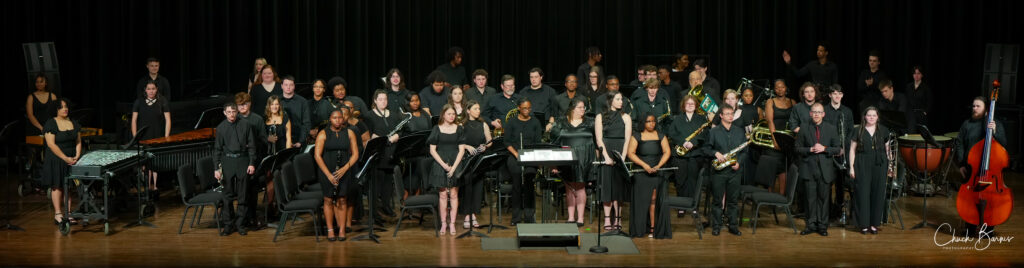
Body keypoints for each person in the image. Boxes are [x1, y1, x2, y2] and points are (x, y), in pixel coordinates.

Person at [955, 97, 1007, 236]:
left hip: (990, 172)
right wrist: (960, 164)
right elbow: (959, 143)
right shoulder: (966, 124)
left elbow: (1004, 144)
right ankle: (970, 225)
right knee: (970, 199)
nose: (974, 108)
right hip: (971, 170)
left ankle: (989, 227)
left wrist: (995, 131)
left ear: (986, 109)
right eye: (973, 106)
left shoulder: (994, 124)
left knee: (990, 199)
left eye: (978, 106)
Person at [795, 103, 840, 236]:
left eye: (819, 112)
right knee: (810, 199)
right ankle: (810, 224)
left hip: (825, 170)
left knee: (824, 199)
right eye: (814, 112)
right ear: (810, 113)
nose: (816, 114)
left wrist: (824, 148)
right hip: (809, 168)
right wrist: (809, 149)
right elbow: (797, 148)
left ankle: (822, 226)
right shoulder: (804, 127)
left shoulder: (831, 128)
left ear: (823, 114)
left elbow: (837, 148)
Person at [314, 108, 359, 242]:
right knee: (328, 200)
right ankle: (330, 230)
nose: (338, 120)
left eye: (340, 117)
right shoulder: (323, 134)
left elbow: (355, 154)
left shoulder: (349, 132)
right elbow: (317, 156)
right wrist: (328, 175)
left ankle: (342, 230)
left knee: (342, 199)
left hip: (344, 172)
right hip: (327, 172)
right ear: (330, 119)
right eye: (335, 118)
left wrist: (345, 169)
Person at [213, 102, 257, 236]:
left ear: (237, 112)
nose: (232, 114)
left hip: (243, 160)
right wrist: (216, 168)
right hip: (227, 162)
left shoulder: (246, 125)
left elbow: (252, 146)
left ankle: (240, 224)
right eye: (229, 112)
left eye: (234, 111)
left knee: (243, 195)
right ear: (224, 113)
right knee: (227, 196)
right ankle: (228, 225)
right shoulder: (221, 128)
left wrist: (252, 163)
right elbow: (217, 149)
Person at [548, 99, 595, 226]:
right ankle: (570, 217)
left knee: (580, 187)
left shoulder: (590, 123)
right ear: (572, 109)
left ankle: (580, 218)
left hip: (585, 160)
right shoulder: (561, 123)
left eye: (584, 107)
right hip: (567, 159)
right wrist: (554, 164)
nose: (583, 110)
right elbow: (554, 143)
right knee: (569, 188)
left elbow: (597, 142)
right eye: (580, 107)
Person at [626, 114, 673, 239]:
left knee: (654, 199)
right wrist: (644, 165)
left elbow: (667, 152)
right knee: (641, 201)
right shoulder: (637, 135)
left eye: (653, 121)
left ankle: (653, 227)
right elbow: (630, 153)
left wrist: (659, 165)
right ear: (643, 123)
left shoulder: (661, 135)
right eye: (648, 121)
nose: (652, 124)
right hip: (641, 171)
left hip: (657, 171)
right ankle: (640, 228)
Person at [848, 107, 891, 235]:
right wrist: (851, 167)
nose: (871, 117)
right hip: (862, 163)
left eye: (874, 115)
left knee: (877, 193)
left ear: (878, 117)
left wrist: (890, 167)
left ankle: (874, 223)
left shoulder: (884, 130)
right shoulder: (858, 130)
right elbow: (852, 150)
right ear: (864, 117)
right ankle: (863, 224)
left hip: (880, 164)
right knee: (863, 193)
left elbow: (888, 151)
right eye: (869, 115)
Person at [595, 91, 632, 230]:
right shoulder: (600, 116)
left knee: (618, 187)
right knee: (607, 186)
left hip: (620, 151)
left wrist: (622, 156)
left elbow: (627, 138)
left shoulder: (626, 117)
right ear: (610, 101)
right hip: (607, 150)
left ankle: (617, 218)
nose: (621, 101)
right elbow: (599, 138)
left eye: (621, 99)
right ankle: (606, 219)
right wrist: (606, 156)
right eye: (618, 99)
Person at [428, 105, 467, 235]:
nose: (451, 116)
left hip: (455, 163)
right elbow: (432, 150)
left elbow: (461, 150)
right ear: (443, 115)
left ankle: (452, 224)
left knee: (454, 194)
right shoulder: (436, 128)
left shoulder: (459, 129)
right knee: (443, 194)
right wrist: (444, 166)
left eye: (453, 114)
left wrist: (454, 167)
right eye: (449, 114)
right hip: (440, 163)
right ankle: (444, 223)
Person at [708, 106, 747, 236]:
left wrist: (739, 162)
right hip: (719, 171)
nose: (730, 116)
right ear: (721, 116)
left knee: (733, 200)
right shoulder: (714, 132)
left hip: (734, 171)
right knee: (717, 200)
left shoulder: (740, 131)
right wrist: (715, 153)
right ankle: (716, 226)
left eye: (732, 114)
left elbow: (744, 151)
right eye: (727, 114)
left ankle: (733, 226)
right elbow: (706, 149)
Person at [666, 95, 708, 217]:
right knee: (681, 181)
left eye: (692, 104)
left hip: (695, 155)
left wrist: (693, 143)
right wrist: (683, 142)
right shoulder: (677, 119)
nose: (690, 105)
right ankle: (681, 206)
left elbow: (705, 134)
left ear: (696, 106)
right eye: (687, 104)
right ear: (683, 106)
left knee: (693, 181)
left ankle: (694, 207)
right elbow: (671, 133)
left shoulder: (701, 119)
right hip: (680, 156)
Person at [42, 98, 81, 228]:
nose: (65, 109)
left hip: (71, 158)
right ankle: (58, 214)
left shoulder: (73, 122)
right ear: (56, 110)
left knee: (68, 187)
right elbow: (51, 145)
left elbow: (78, 141)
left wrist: (77, 156)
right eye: (62, 107)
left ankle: (68, 212)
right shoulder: (51, 123)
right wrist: (65, 158)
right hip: (57, 158)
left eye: (66, 106)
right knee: (57, 186)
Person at [365, 90, 404, 218]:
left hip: (391, 152)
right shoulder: (369, 115)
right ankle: (374, 211)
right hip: (378, 153)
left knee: (388, 182)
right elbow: (368, 134)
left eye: (385, 99)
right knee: (377, 182)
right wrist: (381, 138)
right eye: (380, 99)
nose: (383, 102)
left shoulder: (394, 115)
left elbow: (402, 130)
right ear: (375, 101)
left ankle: (386, 206)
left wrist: (396, 136)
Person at [504, 98, 543, 225]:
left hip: (531, 157)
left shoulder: (535, 122)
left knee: (529, 184)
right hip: (515, 156)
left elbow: (537, 142)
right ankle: (516, 217)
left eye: (529, 108)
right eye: (525, 108)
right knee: (516, 185)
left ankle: (529, 216)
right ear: (519, 108)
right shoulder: (511, 122)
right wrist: (516, 154)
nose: (527, 110)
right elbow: (507, 142)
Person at [131, 81, 171, 194]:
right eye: (149, 89)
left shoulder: (162, 101)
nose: (151, 91)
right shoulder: (139, 102)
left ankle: (155, 186)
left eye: (153, 88)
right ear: (145, 90)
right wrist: (135, 136)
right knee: (145, 163)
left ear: (156, 89)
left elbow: (168, 119)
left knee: (155, 161)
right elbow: (134, 120)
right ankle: (147, 187)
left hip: (157, 136)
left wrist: (166, 137)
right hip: (143, 136)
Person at [823, 85, 854, 221]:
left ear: (842, 95)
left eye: (839, 94)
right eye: (834, 94)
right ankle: (828, 212)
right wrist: (831, 149)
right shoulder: (823, 110)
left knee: (841, 184)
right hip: (828, 152)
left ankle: (839, 209)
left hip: (842, 153)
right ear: (830, 95)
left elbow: (850, 132)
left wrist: (843, 149)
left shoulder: (847, 112)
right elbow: (822, 131)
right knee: (827, 183)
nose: (836, 96)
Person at [458, 100, 491, 229]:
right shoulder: (462, 125)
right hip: (466, 159)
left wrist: (485, 146)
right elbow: (457, 141)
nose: (478, 111)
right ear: (468, 110)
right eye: (475, 108)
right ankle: (467, 215)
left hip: (479, 159)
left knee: (478, 186)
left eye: (479, 108)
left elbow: (489, 141)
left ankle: (474, 215)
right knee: (467, 187)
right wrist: (466, 146)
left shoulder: (483, 124)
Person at [763, 79, 796, 194]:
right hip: (774, 138)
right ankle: (769, 196)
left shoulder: (793, 102)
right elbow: (770, 121)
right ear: (774, 90)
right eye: (777, 87)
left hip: (788, 140)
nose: (780, 89)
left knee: (785, 168)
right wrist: (775, 140)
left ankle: (782, 197)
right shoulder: (770, 102)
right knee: (772, 167)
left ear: (786, 88)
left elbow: (796, 121)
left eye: (782, 87)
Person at [401, 93, 433, 202]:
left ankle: (419, 198)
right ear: (407, 102)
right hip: (410, 152)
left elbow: (430, 131)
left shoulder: (425, 114)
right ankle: (409, 198)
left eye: (417, 100)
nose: (415, 103)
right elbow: (402, 134)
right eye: (412, 101)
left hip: (424, 151)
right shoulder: (405, 115)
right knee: (418, 166)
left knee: (424, 163)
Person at [280, 76, 311, 147]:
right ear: (282, 86)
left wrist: (301, 141)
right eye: (286, 85)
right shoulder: (277, 101)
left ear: (294, 86)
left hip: (298, 140)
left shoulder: (302, 102)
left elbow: (306, 123)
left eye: (291, 85)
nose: (288, 87)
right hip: (281, 141)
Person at [905, 66, 933, 133]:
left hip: (921, 114)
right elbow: (906, 100)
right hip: (911, 114)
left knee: (923, 134)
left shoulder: (926, 87)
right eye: (914, 73)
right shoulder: (908, 86)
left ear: (922, 75)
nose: (916, 75)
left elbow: (930, 101)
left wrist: (925, 112)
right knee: (911, 133)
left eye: (918, 73)